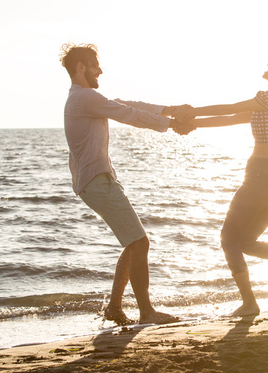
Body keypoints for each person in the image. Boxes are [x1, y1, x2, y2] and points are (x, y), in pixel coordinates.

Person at [177, 37, 268, 316]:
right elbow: (229, 119)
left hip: (259, 177)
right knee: (245, 242)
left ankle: (249, 303)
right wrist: (189, 124)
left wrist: (188, 112)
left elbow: (227, 108)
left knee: (228, 239)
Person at [60, 43, 191, 325]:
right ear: (81, 68)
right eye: (95, 65)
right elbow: (127, 114)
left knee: (133, 243)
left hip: (99, 180)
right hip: (96, 182)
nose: (100, 70)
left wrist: (170, 110)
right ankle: (147, 312)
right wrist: (170, 124)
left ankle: (115, 308)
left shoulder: (86, 99)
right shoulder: (83, 98)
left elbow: (127, 105)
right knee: (140, 242)